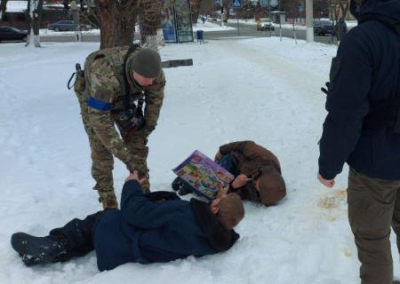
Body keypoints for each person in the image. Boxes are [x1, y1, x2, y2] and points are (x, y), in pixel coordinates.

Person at [10, 171, 245, 271]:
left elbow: (134, 212)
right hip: (130, 250)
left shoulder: (184, 214)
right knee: (97, 231)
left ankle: (53, 246)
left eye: (218, 199)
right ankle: (60, 251)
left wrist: (131, 183)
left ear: (214, 208)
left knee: (98, 221)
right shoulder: (216, 239)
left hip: (121, 242)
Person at [318, 0, 400, 283]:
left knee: (373, 240)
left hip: (375, 166)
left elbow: (346, 113)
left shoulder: (362, 39)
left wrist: (328, 165)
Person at [73, 45, 166, 209]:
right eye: (147, 79)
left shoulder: (153, 73)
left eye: (154, 78)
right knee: (102, 152)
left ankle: (144, 196)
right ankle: (108, 204)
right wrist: (125, 157)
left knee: (137, 146)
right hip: (96, 105)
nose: (151, 82)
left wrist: (145, 129)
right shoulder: (104, 77)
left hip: (125, 101)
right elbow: (100, 120)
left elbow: (154, 102)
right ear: (134, 72)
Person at [172, 141, 286, 206]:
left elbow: (232, 195)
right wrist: (222, 150)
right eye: (258, 179)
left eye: (257, 186)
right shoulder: (266, 159)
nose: (254, 181)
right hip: (233, 160)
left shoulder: (257, 194)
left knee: (215, 193)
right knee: (217, 173)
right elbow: (245, 145)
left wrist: (234, 186)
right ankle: (189, 181)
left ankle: (189, 182)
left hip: (236, 179)